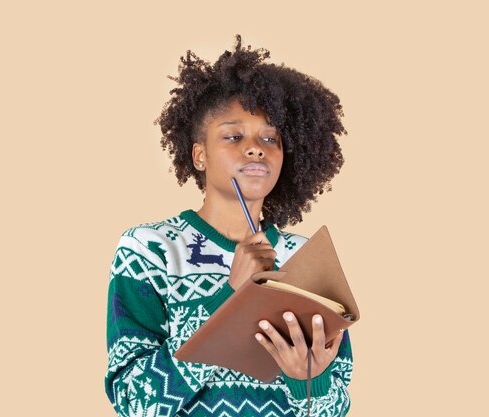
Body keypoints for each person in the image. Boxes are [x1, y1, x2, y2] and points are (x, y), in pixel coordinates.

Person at [104, 34, 353, 417]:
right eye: (234, 136)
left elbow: (333, 406)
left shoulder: (307, 258)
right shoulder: (149, 250)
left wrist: (310, 381)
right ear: (199, 156)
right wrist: (231, 302)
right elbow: (133, 402)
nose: (256, 148)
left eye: (271, 138)